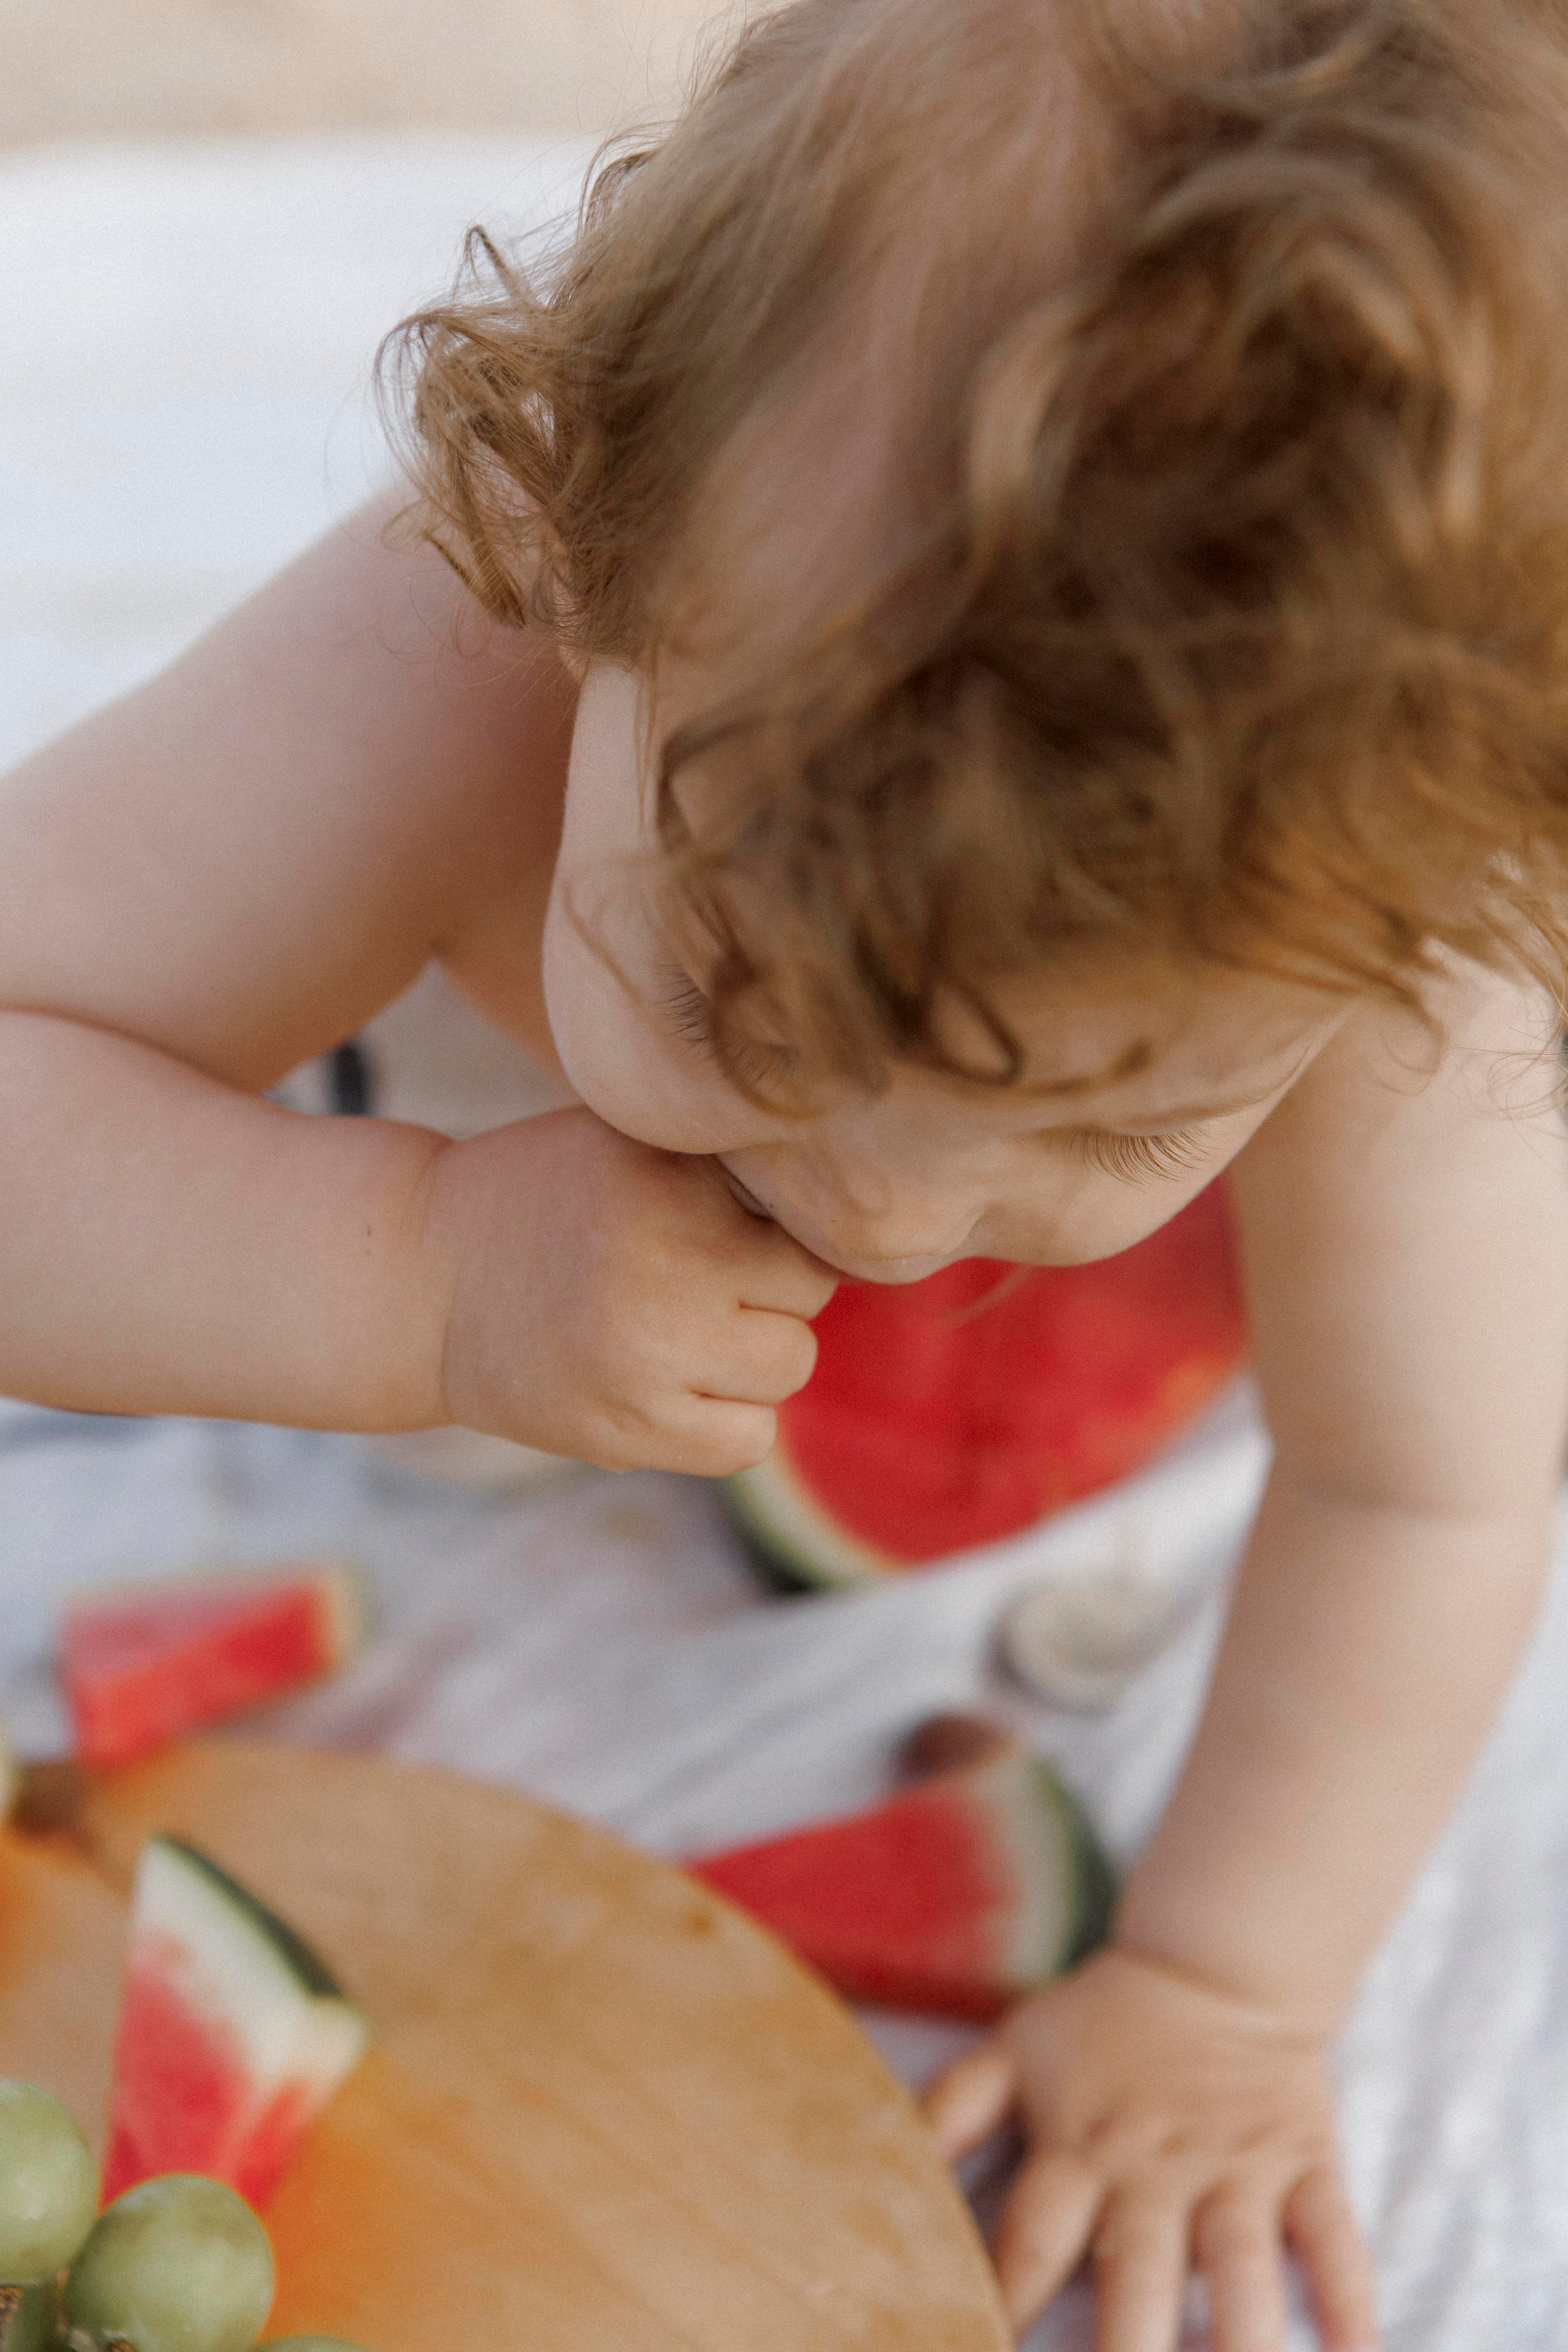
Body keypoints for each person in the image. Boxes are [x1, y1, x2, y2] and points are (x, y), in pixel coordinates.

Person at [4, 0, 1568, 2342]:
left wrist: (1229, 1988)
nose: (886, 1221)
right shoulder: (462, 638)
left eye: (1116, 1121)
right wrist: (418, 1276)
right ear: (580, 522)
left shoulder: (1378, 922)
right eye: (744, 1007)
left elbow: (1423, 1491)